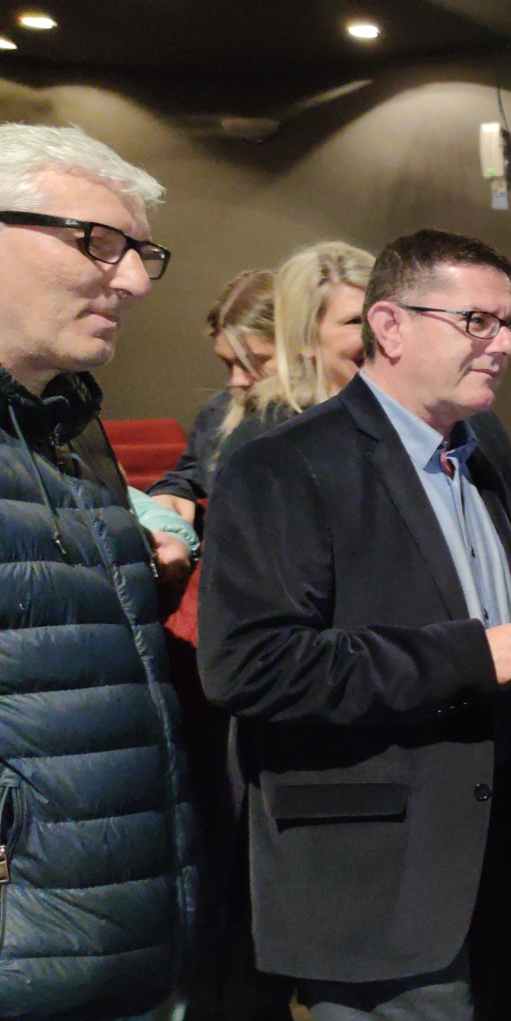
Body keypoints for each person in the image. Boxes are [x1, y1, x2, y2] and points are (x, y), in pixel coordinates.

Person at [198, 229, 511, 1019]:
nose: (502, 345)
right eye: (477, 322)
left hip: (508, 859)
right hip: (379, 882)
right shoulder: (282, 462)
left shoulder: (483, 443)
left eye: (510, 325)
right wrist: (459, 657)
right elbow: (249, 664)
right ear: (388, 326)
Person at [0, 121, 197, 1018]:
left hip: (123, 936)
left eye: (138, 252)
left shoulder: (69, 429)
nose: (132, 281)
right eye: (96, 242)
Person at [147, 268, 277, 522]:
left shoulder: (330, 417)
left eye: (255, 362)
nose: (237, 380)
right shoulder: (220, 408)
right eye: (228, 363)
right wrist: (172, 492)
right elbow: (192, 473)